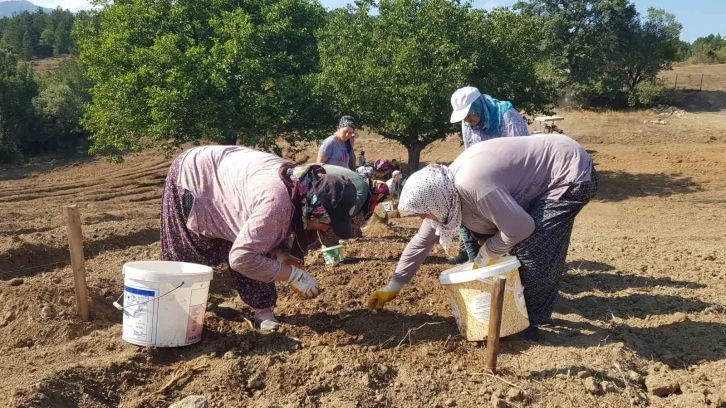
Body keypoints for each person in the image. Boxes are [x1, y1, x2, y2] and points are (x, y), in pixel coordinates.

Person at [367, 134, 599, 340]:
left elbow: (521, 228)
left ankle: (530, 324)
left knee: (532, 247)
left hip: (569, 172)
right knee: (482, 231)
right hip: (542, 176)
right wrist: (393, 286)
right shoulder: (444, 192)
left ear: (434, 201)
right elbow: (420, 243)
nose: (423, 218)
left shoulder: (471, 184)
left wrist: (488, 253)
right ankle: (514, 306)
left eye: (423, 212)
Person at [161, 146, 357, 332]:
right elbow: (242, 258)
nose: (324, 229)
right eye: (325, 223)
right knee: (186, 253)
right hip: (196, 175)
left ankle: (263, 311)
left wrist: (283, 256)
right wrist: (292, 275)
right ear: (315, 210)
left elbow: (271, 232)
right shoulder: (277, 203)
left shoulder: (304, 186)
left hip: (234, 181)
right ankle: (174, 310)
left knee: (259, 242)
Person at [449, 86, 531, 264]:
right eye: (464, 117)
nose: (468, 120)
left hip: (512, 180)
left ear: (479, 106)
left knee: (511, 223)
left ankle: (513, 262)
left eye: (470, 114)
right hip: (485, 179)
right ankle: (477, 261)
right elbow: (470, 152)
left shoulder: (508, 117)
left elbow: (522, 153)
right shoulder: (467, 124)